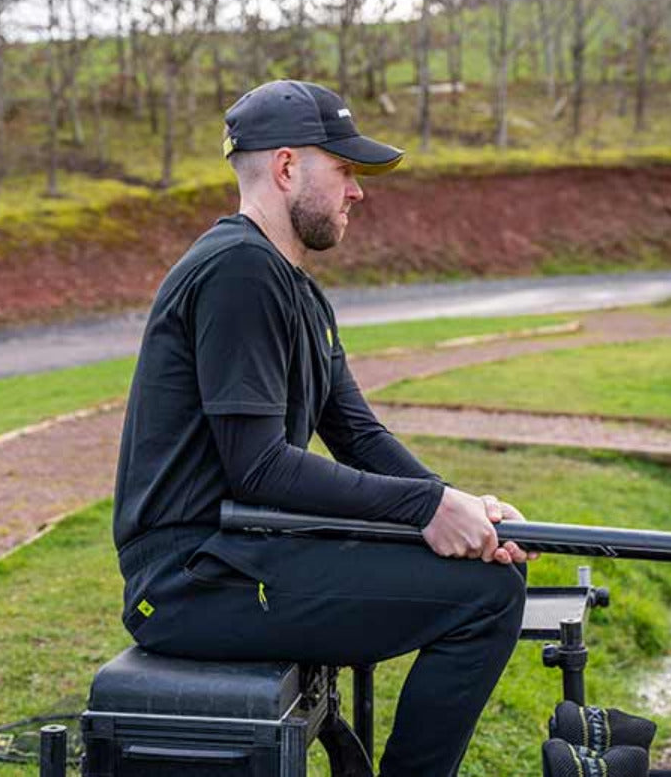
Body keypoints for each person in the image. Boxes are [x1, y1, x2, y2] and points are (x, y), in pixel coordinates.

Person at [113, 79, 535, 777]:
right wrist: (427, 508)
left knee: (484, 575)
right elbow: (259, 466)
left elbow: (358, 434)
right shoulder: (237, 272)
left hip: (240, 554)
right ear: (285, 168)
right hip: (188, 580)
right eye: (343, 170)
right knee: (487, 598)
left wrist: (461, 506)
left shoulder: (297, 289)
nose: (358, 191)